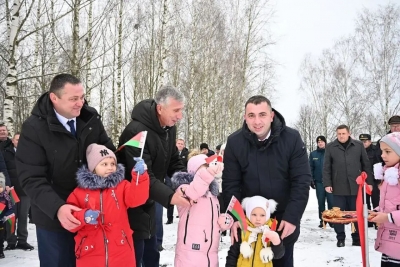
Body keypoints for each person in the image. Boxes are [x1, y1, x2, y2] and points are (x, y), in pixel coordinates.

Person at [16, 73, 115, 267]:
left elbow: (108, 152)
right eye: (73, 99)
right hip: (55, 218)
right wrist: (58, 208)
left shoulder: (90, 117)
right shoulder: (34, 128)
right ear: (54, 98)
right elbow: (31, 178)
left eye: (82, 97)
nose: (80, 103)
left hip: (91, 212)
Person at [222, 95, 310, 267]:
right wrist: (234, 217)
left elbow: (301, 180)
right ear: (245, 117)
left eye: (262, 115)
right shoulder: (235, 142)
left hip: (281, 221)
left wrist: (292, 217)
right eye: (251, 115)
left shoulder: (291, 138)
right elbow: (231, 183)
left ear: (271, 115)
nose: (257, 121)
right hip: (248, 222)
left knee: (281, 261)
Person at [118, 85, 189, 267]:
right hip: (130, 204)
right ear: (160, 108)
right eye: (176, 110)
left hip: (150, 201)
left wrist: (184, 182)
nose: (179, 116)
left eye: (181, 110)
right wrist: (171, 196)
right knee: (136, 253)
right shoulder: (137, 131)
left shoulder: (168, 128)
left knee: (152, 250)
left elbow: (173, 159)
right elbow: (142, 175)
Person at [66, 144, 149, 267]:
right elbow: (69, 219)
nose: (110, 167)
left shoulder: (122, 186)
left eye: (112, 164)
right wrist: (84, 216)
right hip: (90, 252)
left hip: (121, 250)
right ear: (93, 168)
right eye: (104, 164)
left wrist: (140, 177)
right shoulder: (79, 192)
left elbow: (137, 199)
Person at [171, 153, 232, 267]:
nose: (209, 169)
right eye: (205, 167)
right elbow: (194, 192)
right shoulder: (184, 188)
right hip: (190, 253)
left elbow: (214, 221)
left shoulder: (213, 195)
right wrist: (209, 172)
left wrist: (225, 221)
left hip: (211, 253)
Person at [323, 125, 373, 248]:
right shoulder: (330, 147)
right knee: (338, 214)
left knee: (356, 213)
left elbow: (366, 164)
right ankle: (340, 238)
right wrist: (327, 183)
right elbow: (326, 167)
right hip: (338, 186)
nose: (341, 136)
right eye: (339, 133)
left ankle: (356, 238)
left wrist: (369, 182)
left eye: (343, 133)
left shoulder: (358, 145)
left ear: (349, 133)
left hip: (356, 186)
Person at [225, 196, 285, 267]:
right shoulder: (242, 229)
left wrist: (277, 243)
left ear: (268, 215)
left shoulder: (271, 230)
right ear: (248, 213)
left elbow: (278, 255)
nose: (258, 218)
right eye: (254, 214)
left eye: (262, 215)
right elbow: (233, 253)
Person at [370, 132, 400, 267]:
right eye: (382, 151)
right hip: (390, 240)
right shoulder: (389, 173)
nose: (382, 155)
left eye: (388, 151)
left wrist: (388, 217)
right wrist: (377, 211)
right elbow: (391, 203)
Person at [2, 133, 34, 250]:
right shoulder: (6, 153)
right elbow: (4, 171)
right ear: (13, 141)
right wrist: (7, 185)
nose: (19, 142)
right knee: (11, 217)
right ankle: (11, 241)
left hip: (25, 191)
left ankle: (22, 240)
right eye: (17, 140)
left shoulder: (30, 153)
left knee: (23, 217)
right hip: (11, 191)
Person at [309, 136, 333, 228]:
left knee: (331, 202)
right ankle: (322, 220)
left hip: (330, 182)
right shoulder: (313, 154)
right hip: (319, 182)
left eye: (322, 142)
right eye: (318, 142)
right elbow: (310, 168)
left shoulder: (330, 153)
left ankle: (331, 220)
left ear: (325, 143)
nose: (320, 143)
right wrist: (311, 180)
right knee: (321, 202)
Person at [165, 138, 189, 225]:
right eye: (178, 143)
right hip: (170, 177)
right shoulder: (170, 153)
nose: (180, 145)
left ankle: (182, 215)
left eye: (182, 144)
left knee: (182, 197)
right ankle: (169, 218)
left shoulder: (187, 154)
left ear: (184, 145)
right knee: (170, 196)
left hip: (181, 179)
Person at [359, 134, 380, 212]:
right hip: (363, 181)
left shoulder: (375, 151)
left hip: (374, 180)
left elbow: (378, 165)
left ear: (370, 142)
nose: (363, 143)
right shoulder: (358, 151)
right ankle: (368, 222)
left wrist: (378, 181)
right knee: (365, 202)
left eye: (365, 141)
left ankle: (376, 222)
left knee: (376, 201)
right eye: (361, 141)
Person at [0, 173, 15, 259]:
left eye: (0, 186)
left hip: (1, 221)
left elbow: (11, 208)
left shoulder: (6, 197)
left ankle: (0, 251)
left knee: (0, 237)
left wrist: (6, 216)